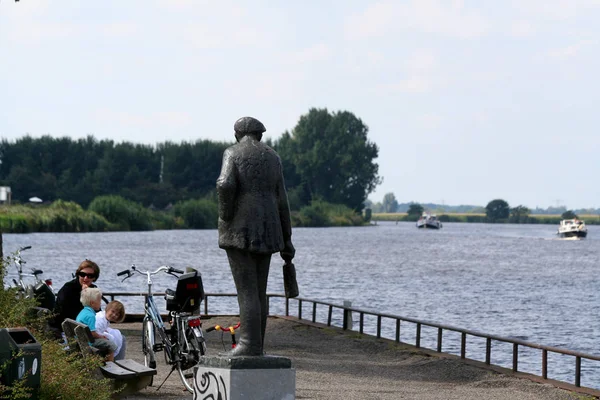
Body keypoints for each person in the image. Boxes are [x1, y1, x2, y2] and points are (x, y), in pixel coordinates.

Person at [216, 116, 295, 357]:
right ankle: (257, 345)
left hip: (239, 229)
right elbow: (282, 200)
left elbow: (224, 184)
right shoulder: (273, 157)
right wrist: (287, 237)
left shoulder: (232, 152)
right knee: (260, 291)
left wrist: (225, 214)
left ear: (237, 134)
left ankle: (248, 345)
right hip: (269, 229)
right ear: (260, 135)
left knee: (247, 291)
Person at [50, 260, 100, 335]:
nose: (85, 278)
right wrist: (85, 296)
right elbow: (64, 314)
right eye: (82, 274)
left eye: (90, 276)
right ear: (78, 274)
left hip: (86, 327)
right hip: (67, 329)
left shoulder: (93, 289)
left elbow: (97, 311)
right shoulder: (68, 288)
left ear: (94, 278)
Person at [76, 288, 117, 361]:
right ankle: (110, 365)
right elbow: (92, 334)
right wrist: (101, 336)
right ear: (92, 303)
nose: (100, 303)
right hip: (88, 342)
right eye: (99, 301)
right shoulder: (91, 316)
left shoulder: (82, 312)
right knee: (111, 345)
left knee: (107, 342)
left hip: (81, 341)